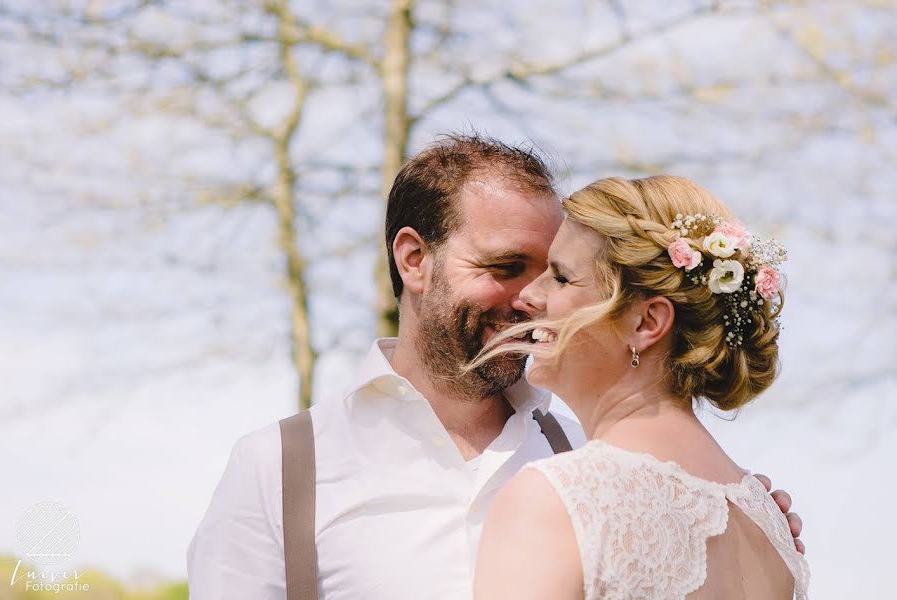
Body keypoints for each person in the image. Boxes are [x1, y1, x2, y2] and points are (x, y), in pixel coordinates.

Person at [187, 136, 802, 599]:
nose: (531, 298)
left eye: (555, 273)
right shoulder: (280, 468)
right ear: (413, 259)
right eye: (506, 268)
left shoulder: (588, 470)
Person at [473, 175, 810, 599]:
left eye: (560, 278)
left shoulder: (556, 500)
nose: (528, 295)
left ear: (647, 322)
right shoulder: (770, 524)